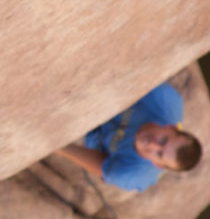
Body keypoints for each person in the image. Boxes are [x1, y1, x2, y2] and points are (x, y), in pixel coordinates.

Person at [55, 82, 200, 191]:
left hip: (92, 132)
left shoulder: (133, 174)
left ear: (158, 165)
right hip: (104, 91)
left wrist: (55, 145)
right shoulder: (163, 98)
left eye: (159, 154)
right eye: (163, 140)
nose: (152, 144)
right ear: (170, 127)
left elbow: (101, 166)